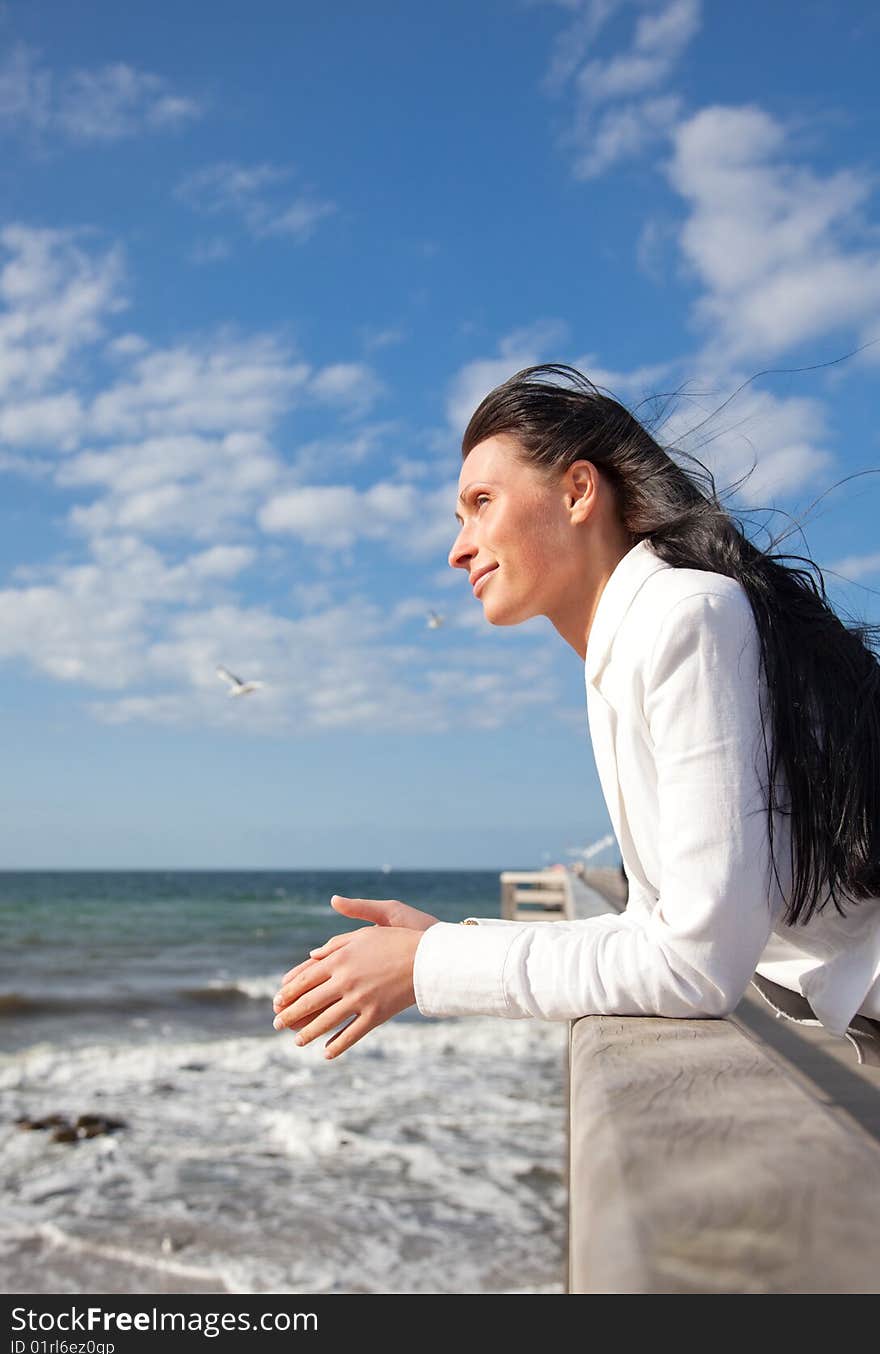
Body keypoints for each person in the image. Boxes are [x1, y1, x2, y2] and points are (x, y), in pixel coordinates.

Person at [272, 364, 880, 1063]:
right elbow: (650, 927)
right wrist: (440, 943)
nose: (457, 549)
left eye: (482, 502)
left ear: (578, 491)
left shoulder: (687, 616)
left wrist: (425, 967)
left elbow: (694, 967)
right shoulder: (625, 650)